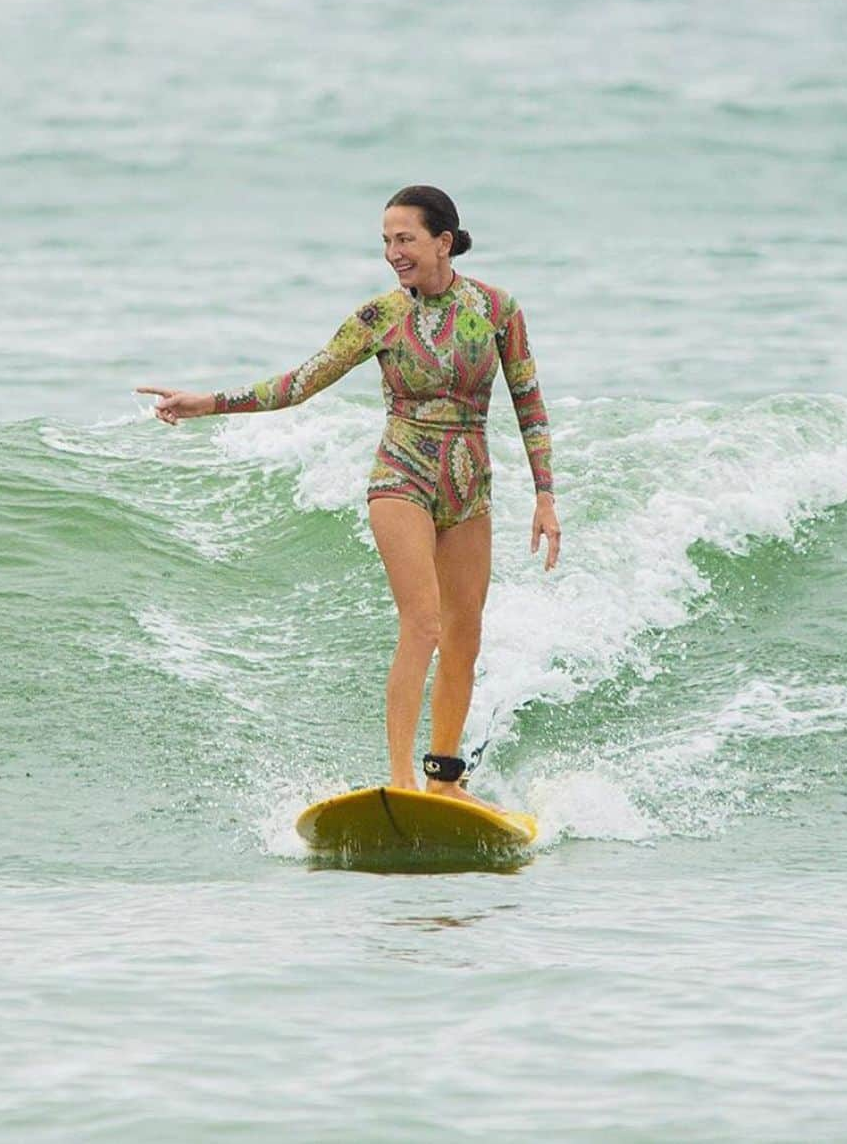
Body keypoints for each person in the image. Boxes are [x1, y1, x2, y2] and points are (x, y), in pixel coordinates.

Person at [137, 185, 560, 809]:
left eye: (405, 239)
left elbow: (529, 401)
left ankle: (445, 777)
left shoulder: (497, 310)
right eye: (386, 241)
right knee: (423, 622)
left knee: (465, 633)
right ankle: (400, 780)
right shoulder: (379, 318)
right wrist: (206, 403)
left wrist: (545, 497)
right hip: (402, 474)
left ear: (443, 242)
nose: (393, 252)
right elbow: (300, 383)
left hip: (470, 485)